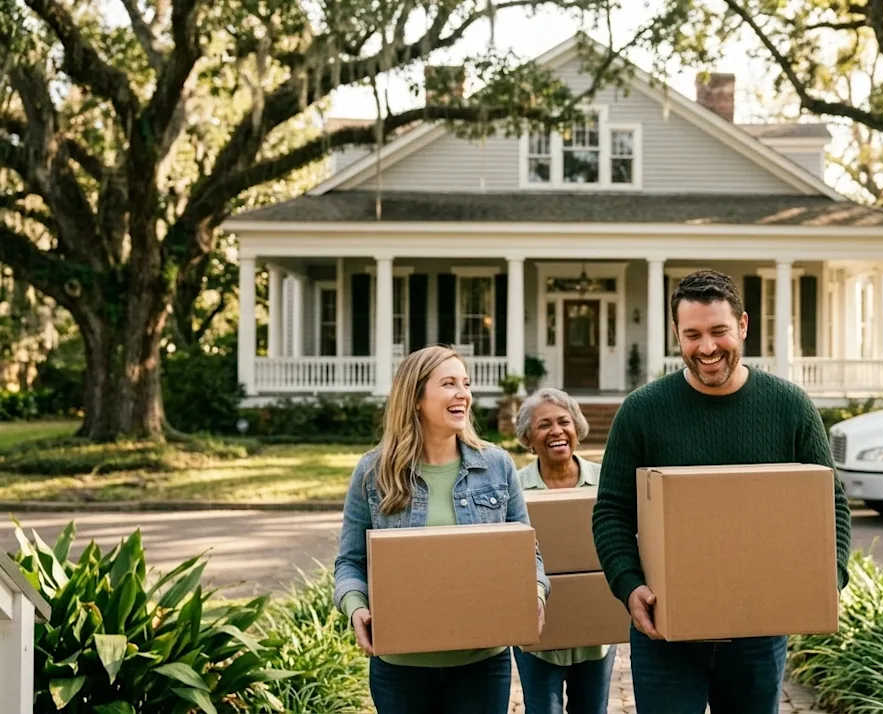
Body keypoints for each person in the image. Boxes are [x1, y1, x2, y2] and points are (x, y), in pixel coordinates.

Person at [591, 269, 853, 714]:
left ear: (744, 325)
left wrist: (827, 583)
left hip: (758, 633)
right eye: (692, 335)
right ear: (677, 334)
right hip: (665, 634)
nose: (707, 348)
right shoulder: (642, 412)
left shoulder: (789, 407)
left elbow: (831, 504)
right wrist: (628, 585)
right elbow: (612, 513)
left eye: (719, 331)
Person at [333, 345, 550, 714]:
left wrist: (536, 593)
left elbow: (528, 554)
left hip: (482, 664)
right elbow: (350, 562)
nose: (462, 393)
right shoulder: (374, 473)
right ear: (416, 398)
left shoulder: (497, 465)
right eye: (448, 383)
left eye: (465, 384)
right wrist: (357, 608)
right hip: (401, 669)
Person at [510, 387, 617, 714]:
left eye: (564, 422)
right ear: (528, 438)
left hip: (595, 631)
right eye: (544, 425)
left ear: (577, 429)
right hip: (537, 631)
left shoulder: (606, 480)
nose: (556, 431)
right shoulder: (515, 488)